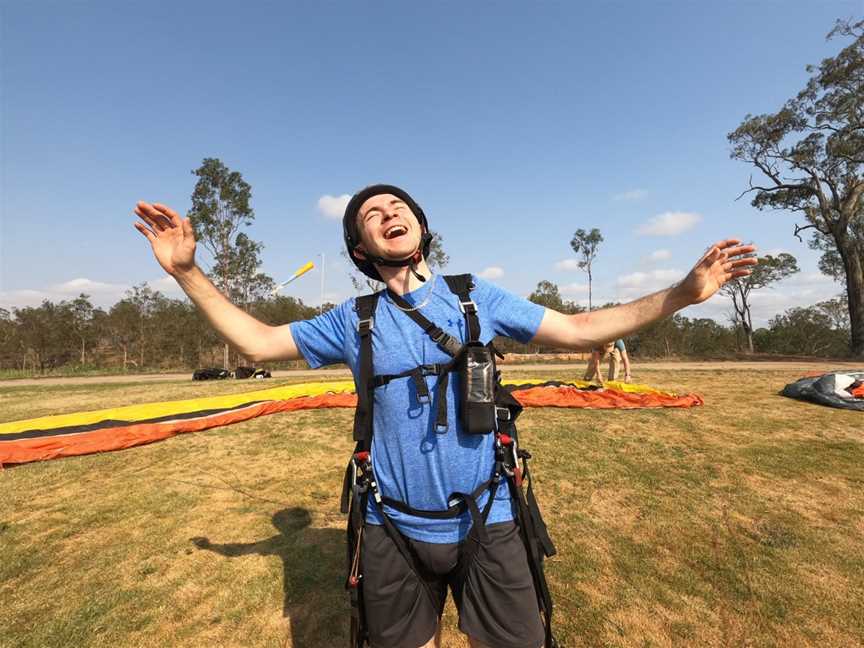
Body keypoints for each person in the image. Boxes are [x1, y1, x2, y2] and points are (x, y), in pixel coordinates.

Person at [132, 184, 756, 648]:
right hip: (390, 528)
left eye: (399, 207)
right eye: (372, 214)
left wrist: (680, 294)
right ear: (360, 246)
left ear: (421, 229)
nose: (389, 214)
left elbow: (578, 329)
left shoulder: (474, 296)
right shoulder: (354, 319)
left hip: (491, 519)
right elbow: (259, 343)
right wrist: (188, 272)